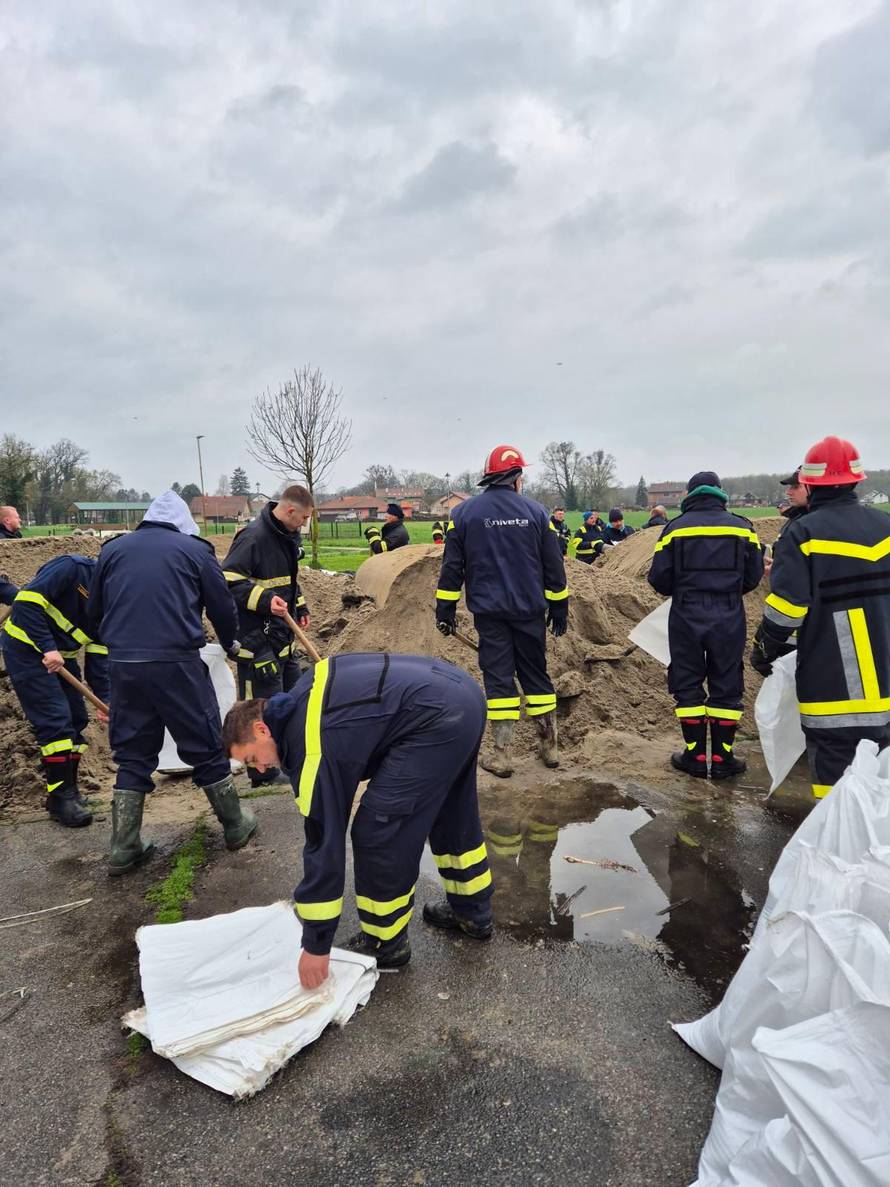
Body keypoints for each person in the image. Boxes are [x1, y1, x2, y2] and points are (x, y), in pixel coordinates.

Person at [222, 652, 494, 986]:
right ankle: (472, 912)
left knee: (379, 831)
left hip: (436, 716)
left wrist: (316, 945)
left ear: (262, 729)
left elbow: (324, 842)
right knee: (452, 809)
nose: (260, 768)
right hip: (461, 694)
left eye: (252, 758)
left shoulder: (311, 745)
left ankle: (385, 943)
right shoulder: (300, 696)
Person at [88, 490, 256, 874]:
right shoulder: (195, 551)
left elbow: (93, 610)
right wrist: (229, 641)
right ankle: (235, 825)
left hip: (125, 664)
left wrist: (118, 644)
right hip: (175, 662)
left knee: (132, 749)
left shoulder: (113, 550)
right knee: (203, 739)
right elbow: (221, 604)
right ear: (183, 523)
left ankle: (124, 846)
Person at [751, 436, 890, 799]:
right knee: (881, 782)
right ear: (858, 481)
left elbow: (786, 612)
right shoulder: (886, 525)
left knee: (835, 786)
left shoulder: (803, 533)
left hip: (835, 685)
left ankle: (836, 847)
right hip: (887, 678)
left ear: (810, 483)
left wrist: (763, 649)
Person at [434, 444, 568, 777]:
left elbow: (452, 568)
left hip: (490, 614)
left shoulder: (463, 515)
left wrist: (445, 610)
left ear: (490, 478)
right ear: (517, 477)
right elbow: (554, 566)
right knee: (536, 674)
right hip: (530, 611)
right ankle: (549, 748)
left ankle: (502, 755)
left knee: (498, 680)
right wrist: (560, 604)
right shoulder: (537, 513)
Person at [648, 471, 764, 780]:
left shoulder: (673, 529)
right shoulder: (744, 528)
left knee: (687, 682)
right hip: (729, 612)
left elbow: (658, 579)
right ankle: (723, 757)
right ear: (720, 492)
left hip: (686, 613)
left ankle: (696, 756)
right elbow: (753, 578)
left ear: (689, 493)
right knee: (726, 682)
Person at [1, 555, 109, 826]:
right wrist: (48, 648)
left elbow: (98, 652)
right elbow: (26, 603)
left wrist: (104, 699)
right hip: (26, 648)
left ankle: (68, 791)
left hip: (62, 656)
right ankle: (61, 798)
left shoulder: (118, 598)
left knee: (77, 719)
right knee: (55, 722)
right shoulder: (72, 568)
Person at [221, 484, 313, 788]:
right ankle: (261, 773)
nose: (304, 525)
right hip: (255, 642)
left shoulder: (287, 537)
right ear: (289, 511)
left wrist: (300, 606)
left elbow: (288, 582)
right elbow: (229, 581)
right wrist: (263, 600)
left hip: (282, 637)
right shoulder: (253, 537)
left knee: (292, 700)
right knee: (257, 708)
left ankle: (285, 760)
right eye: (302, 519)